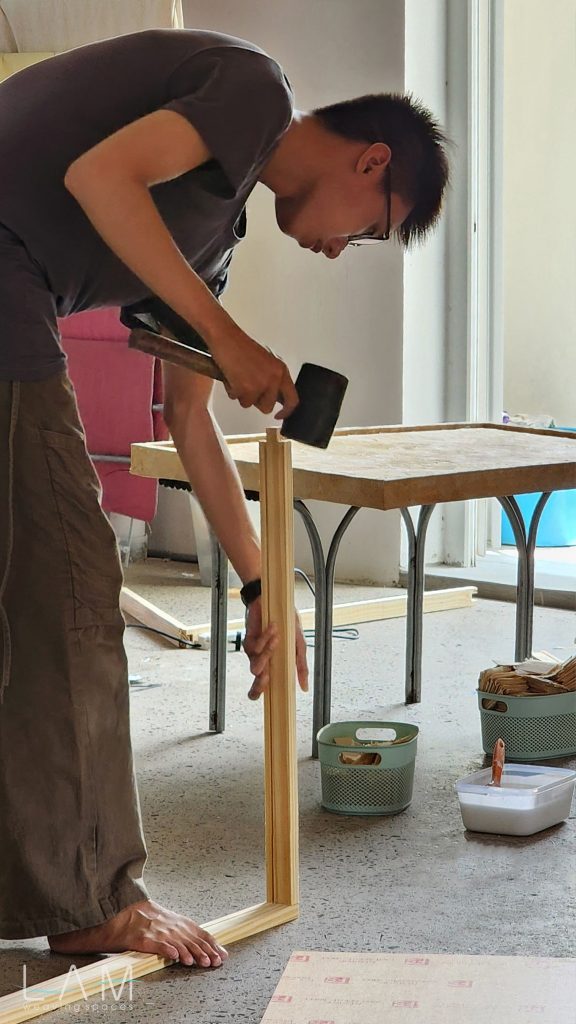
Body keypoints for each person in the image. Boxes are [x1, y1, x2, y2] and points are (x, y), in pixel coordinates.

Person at [0, 28, 449, 967]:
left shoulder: (212, 236)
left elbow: (189, 418)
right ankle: (92, 900)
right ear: (371, 161)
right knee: (70, 596)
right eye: (369, 229)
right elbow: (99, 177)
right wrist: (230, 337)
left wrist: (261, 585)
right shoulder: (256, 90)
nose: (341, 250)